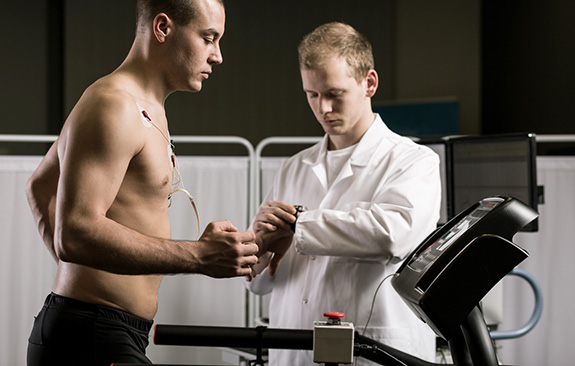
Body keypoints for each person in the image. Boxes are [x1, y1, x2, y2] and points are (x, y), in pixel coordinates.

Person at [25, 1, 259, 365]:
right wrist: (198, 256)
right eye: (208, 38)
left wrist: (87, 271)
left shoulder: (144, 106)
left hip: (102, 329)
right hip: (90, 333)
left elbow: (39, 187)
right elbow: (74, 233)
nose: (218, 56)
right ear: (163, 28)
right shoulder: (114, 105)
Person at [246, 22, 441, 365]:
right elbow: (261, 285)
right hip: (293, 351)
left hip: (373, 352)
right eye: (312, 95)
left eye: (334, 94)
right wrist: (258, 253)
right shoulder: (294, 166)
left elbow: (391, 235)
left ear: (369, 83)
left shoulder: (414, 161)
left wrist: (299, 224)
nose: (323, 108)